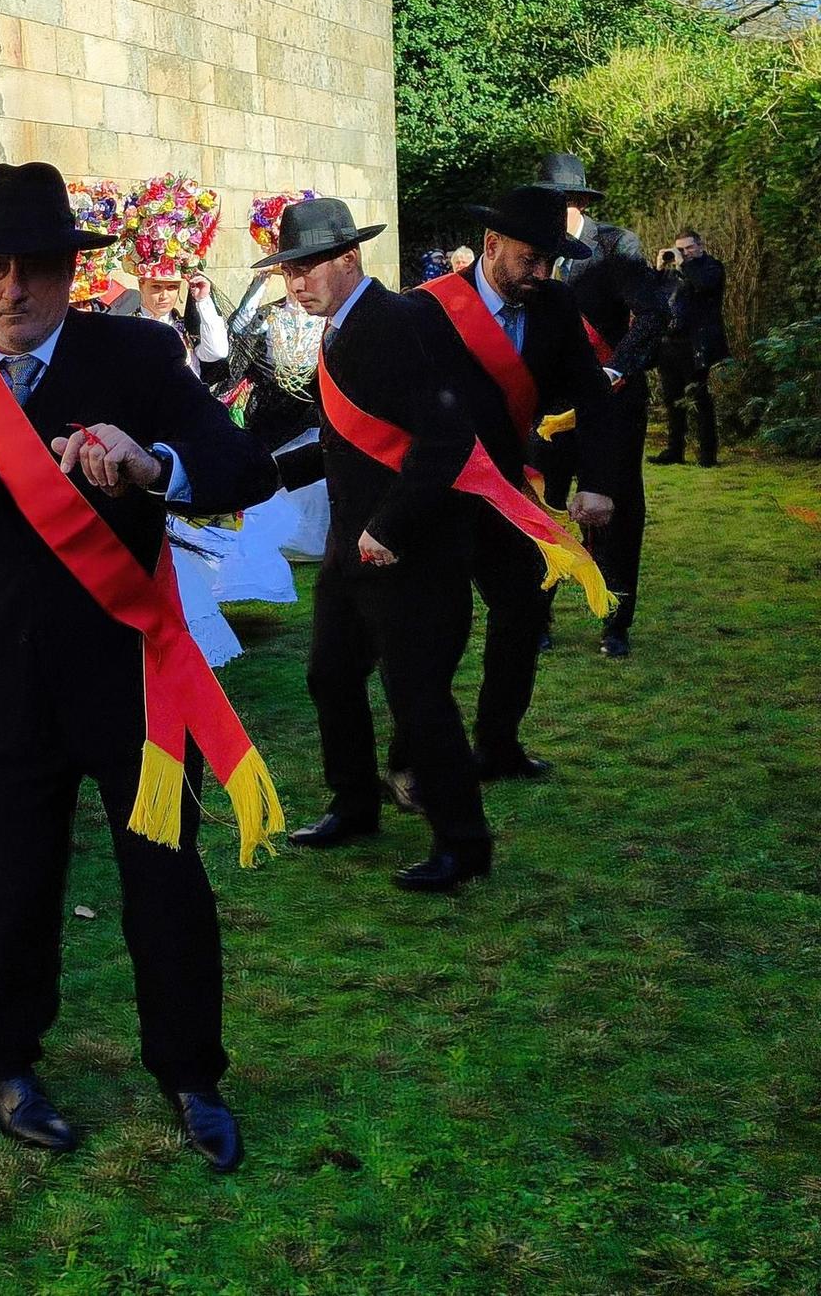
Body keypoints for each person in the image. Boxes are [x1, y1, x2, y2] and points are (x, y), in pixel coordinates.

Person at [0, 162, 282, 1172]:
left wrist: (153, 464)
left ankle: (189, 1074)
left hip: (133, 678)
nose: (12, 289)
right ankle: (5, 1066)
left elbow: (244, 465)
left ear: (69, 275)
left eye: (34, 268)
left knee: (163, 879)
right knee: (16, 883)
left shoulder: (135, 354)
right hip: (5, 681)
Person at [262, 199, 494, 892]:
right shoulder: (341, 328)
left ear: (348, 259)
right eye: (287, 271)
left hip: (410, 548)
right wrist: (259, 478)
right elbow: (339, 437)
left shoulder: (401, 321)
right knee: (330, 676)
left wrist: (390, 528)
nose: (296, 283)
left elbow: (447, 437)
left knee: (418, 697)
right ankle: (354, 804)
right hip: (349, 548)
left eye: (307, 268)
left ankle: (463, 843)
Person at [415, 186, 618, 783]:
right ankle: (417, 758)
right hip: (441, 493)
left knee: (524, 612)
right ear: (491, 244)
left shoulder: (555, 304)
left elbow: (591, 395)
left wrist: (599, 481)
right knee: (435, 632)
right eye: (530, 259)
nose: (541, 273)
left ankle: (498, 745)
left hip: (507, 491)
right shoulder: (428, 310)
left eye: (550, 261)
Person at [529, 153, 669, 656]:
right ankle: (535, 615)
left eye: (562, 203)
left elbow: (653, 313)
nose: (553, 212)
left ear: (581, 203)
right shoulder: (529, 250)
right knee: (537, 507)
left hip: (610, 400)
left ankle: (615, 621)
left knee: (618, 509)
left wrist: (616, 369)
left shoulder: (614, 245)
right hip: (546, 405)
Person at [652, 227, 728, 468]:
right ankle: (675, 450)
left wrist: (684, 264)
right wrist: (658, 270)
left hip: (696, 345)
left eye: (689, 247)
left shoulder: (712, 267)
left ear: (700, 245)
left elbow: (704, 286)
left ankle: (707, 455)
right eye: (680, 248)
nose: (684, 252)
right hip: (670, 344)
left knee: (699, 400)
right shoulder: (673, 272)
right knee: (672, 400)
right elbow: (651, 297)